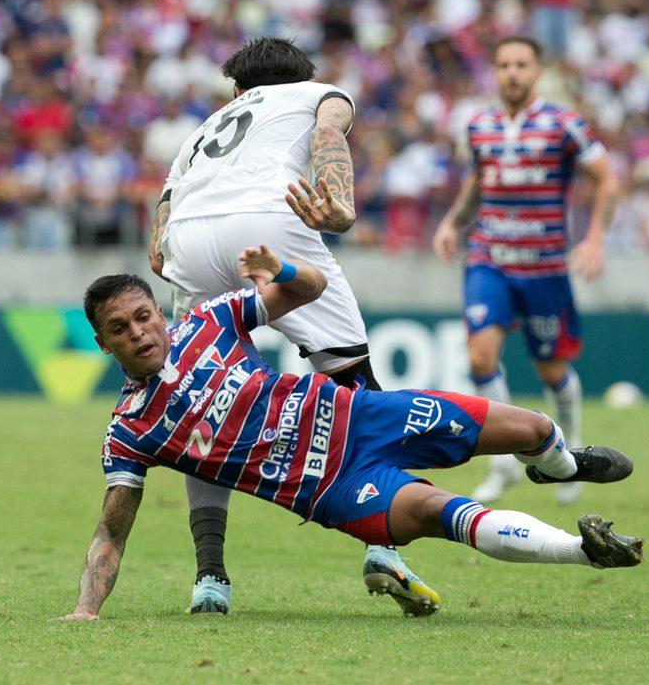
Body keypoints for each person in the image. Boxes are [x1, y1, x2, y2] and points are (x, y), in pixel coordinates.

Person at [62, 246, 643, 622]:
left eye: (143, 317)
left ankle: (559, 466)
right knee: (443, 510)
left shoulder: (210, 321)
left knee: (534, 427)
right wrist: (86, 611)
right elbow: (111, 532)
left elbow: (309, 287)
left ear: (160, 315)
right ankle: (584, 550)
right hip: (334, 489)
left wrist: (281, 268)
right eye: (120, 328)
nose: (138, 333)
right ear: (103, 344)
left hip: (364, 415)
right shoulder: (130, 431)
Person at [145, 37, 437, 616]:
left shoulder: (203, 130)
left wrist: (171, 253)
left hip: (190, 239)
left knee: (202, 408)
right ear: (304, 77)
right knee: (358, 386)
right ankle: (384, 548)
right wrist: (342, 203)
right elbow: (329, 134)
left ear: (237, 90)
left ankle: (210, 579)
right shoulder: (318, 94)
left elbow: (162, 224)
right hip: (267, 223)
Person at [431, 36, 620, 506]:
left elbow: (608, 179)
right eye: (503, 65)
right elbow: (480, 178)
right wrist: (454, 221)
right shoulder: (479, 126)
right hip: (489, 259)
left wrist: (595, 238)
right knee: (479, 359)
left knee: (552, 370)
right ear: (495, 73)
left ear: (537, 71)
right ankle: (502, 464)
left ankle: (571, 457)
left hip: (545, 267)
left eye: (520, 64)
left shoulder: (563, 124)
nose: (511, 72)